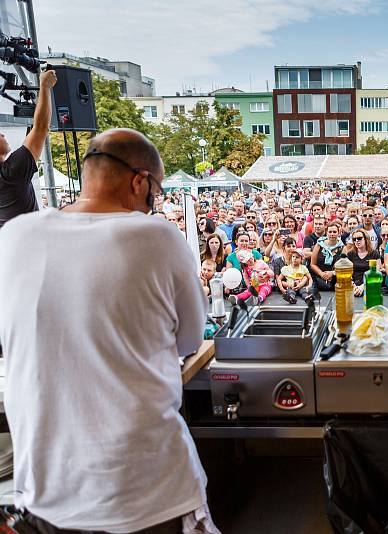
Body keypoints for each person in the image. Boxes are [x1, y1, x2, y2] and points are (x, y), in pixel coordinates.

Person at [0, 128, 218, 531]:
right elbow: (190, 338)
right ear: (140, 182)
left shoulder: (13, 235)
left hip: (45, 492)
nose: (156, 202)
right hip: (143, 490)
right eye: (158, 190)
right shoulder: (158, 236)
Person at [0, 69, 56, 230]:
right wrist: (45, 86)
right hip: (29, 246)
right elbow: (41, 128)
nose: (3, 134)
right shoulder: (11, 173)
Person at [346, 228, 381, 297]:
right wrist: (354, 286)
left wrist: (362, 287)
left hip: (370, 284)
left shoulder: (374, 254)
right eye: (354, 239)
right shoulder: (350, 254)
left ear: (366, 239)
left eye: (359, 238)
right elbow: (347, 273)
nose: (357, 241)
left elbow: (376, 273)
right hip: (354, 285)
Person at [310, 223, 345, 291]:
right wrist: (322, 274)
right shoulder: (319, 244)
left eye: (334, 232)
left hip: (335, 281)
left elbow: (344, 267)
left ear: (338, 233)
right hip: (318, 279)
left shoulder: (343, 248)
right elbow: (313, 264)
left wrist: (332, 273)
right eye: (330, 232)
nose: (332, 234)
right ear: (326, 233)